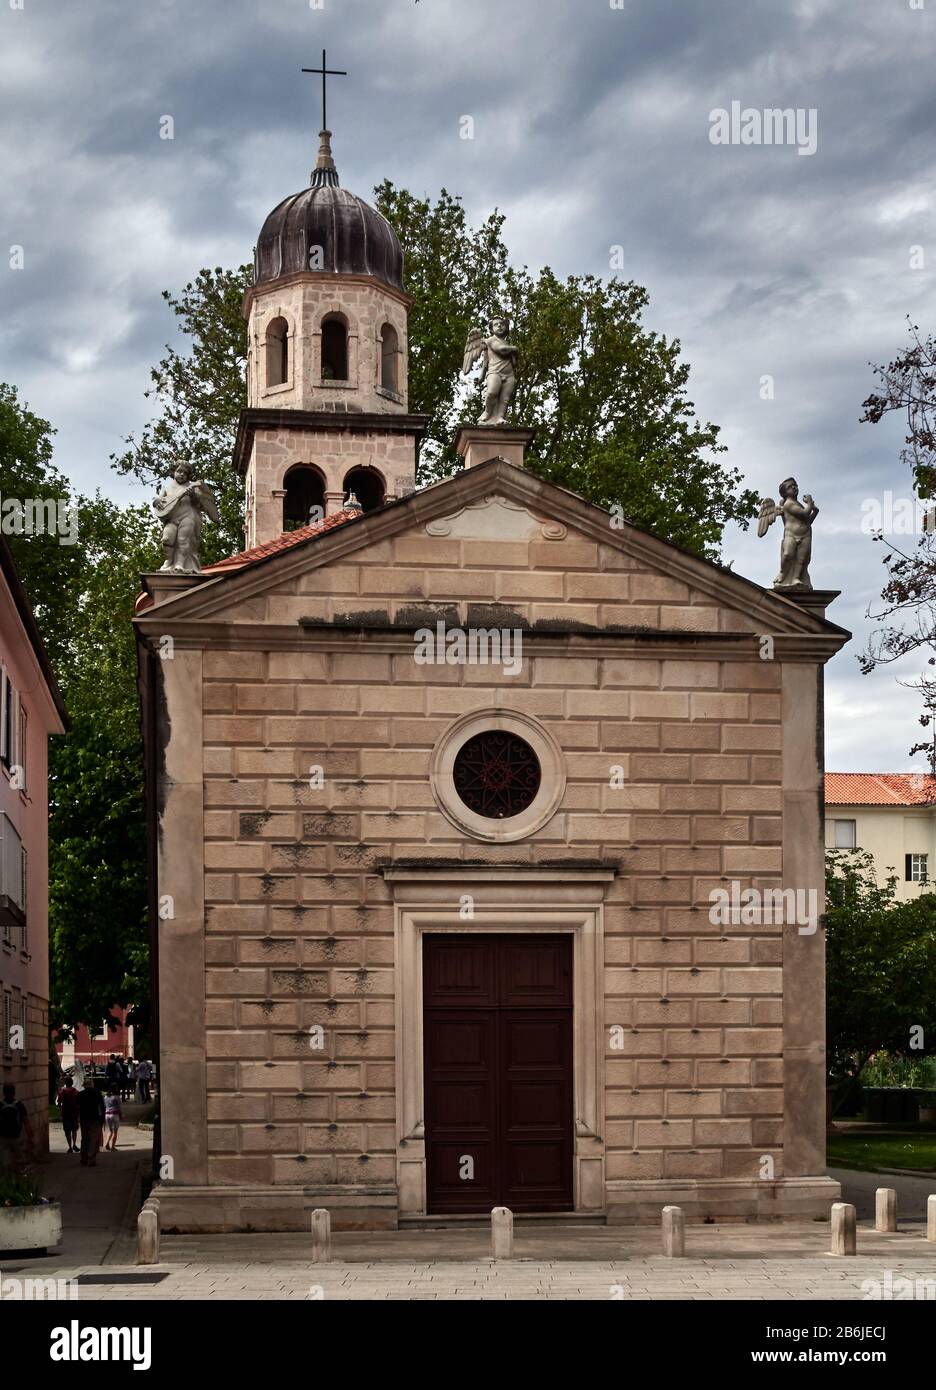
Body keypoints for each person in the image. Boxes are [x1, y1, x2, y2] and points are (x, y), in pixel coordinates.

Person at [0, 1083, 33, 1172]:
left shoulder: (0, 1105)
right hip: (16, 1136)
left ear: (3, 1092)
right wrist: (30, 1137)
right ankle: (20, 1177)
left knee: (5, 1162)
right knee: (20, 1160)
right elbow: (26, 1122)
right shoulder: (19, 1105)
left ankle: (8, 1180)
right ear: (14, 1092)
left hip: (3, 1137)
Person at [77, 1081, 105, 1167]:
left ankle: (83, 1158)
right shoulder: (97, 1093)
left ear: (84, 1086)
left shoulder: (80, 1094)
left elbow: (77, 1107)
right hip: (95, 1118)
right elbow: (101, 1106)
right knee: (93, 1139)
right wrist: (102, 1119)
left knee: (84, 1138)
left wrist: (77, 1119)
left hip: (84, 1119)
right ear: (92, 1085)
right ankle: (91, 1159)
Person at [56, 1077, 81, 1153]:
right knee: (74, 1130)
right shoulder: (76, 1091)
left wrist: (61, 1110)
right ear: (72, 1083)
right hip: (74, 1114)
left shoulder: (62, 1092)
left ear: (65, 1083)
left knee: (67, 1131)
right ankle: (74, 1145)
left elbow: (59, 1103)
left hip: (65, 1114)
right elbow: (79, 1103)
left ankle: (69, 1147)